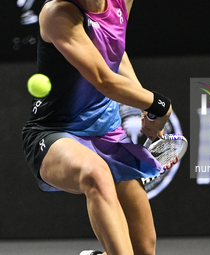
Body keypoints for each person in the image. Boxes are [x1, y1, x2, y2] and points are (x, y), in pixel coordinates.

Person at [22, 0, 172, 254]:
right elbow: (104, 80)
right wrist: (159, 104)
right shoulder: (57, 13)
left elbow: (115, 50)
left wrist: (141, 100)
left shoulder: (121, 2)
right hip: (54, 133)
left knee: (142, 249)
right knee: (96, 173)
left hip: (108, 132)